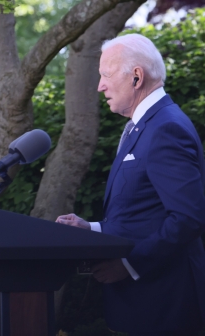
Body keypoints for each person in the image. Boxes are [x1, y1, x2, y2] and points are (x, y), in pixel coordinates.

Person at [56, 34, 205, 335]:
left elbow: (188, 219)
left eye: (106, 75)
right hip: (141, 306)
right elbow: (143, 215)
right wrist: (93, 229)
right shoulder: (146, 125)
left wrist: (129, 264)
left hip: (164, 307)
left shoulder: (166, 128)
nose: (100, 86)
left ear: (136, 76)